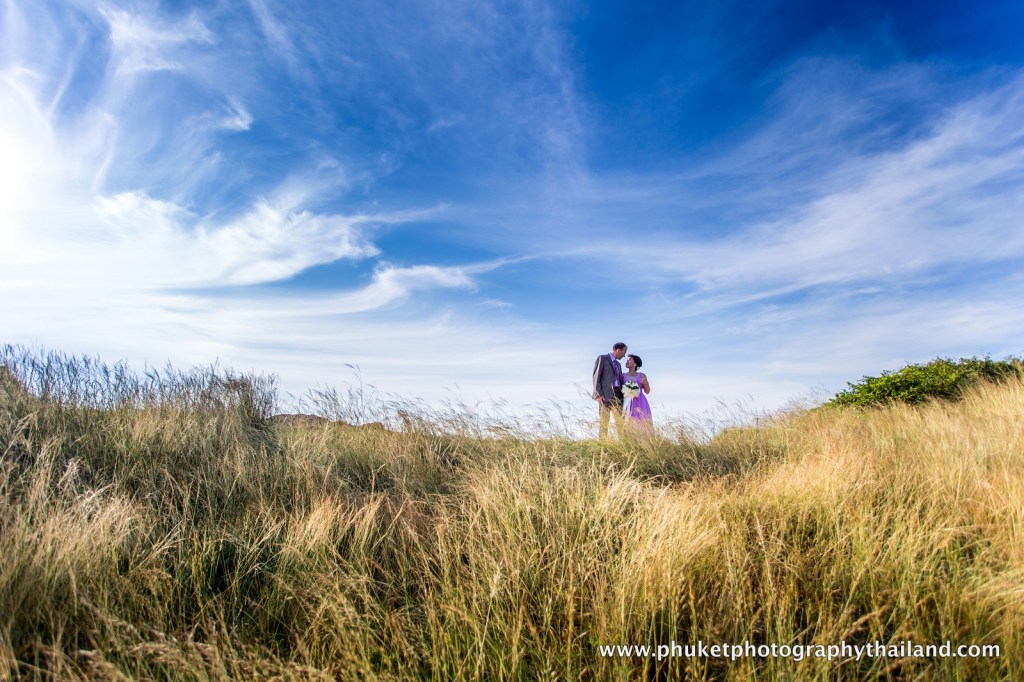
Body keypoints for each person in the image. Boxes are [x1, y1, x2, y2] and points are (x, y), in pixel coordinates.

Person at [593, 342, 627, 439]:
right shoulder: (602, 358)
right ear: (618, 350)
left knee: (620, 422)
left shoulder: (619, 365)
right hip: (605, 395)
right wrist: (598, 395)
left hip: (618, 395)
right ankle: (603, 444)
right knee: (604, 421)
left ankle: (622, 443)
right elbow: (596, 377)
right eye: (624, 352)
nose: (624, 355)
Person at [621, 353, 653, 434]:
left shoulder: (642, 375)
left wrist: (645, 383)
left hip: (640, 402)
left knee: (642, 422)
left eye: (629, 359)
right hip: (627, 403)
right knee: (628, 422)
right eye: (627, 360)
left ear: (635, 364)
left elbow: (647, 391)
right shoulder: (623, 375)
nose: (627, 361)